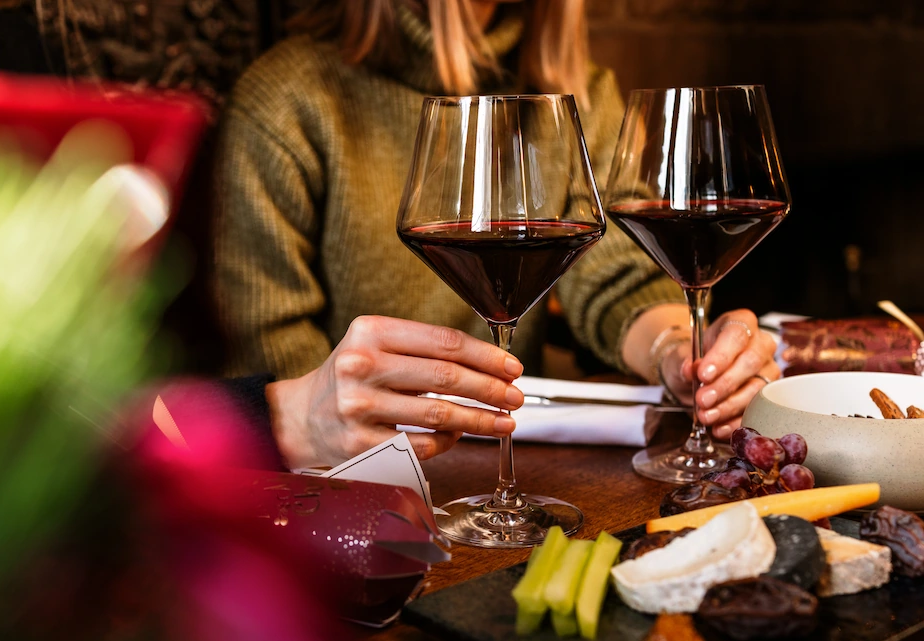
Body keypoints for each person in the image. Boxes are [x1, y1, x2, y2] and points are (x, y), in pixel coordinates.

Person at [212, 0, 780, 466]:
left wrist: (679, 354)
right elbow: (273, 361)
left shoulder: (577, 88)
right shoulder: (286, 101)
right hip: (361, 482)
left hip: (520, 466)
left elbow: (618, 277)